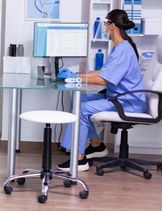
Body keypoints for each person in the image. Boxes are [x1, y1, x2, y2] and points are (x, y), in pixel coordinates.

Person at [57, 9, 147, 172]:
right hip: (118, 98)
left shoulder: (123, 50)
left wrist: (76, 78)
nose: (104, 27)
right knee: (79, 100)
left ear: (112, 26)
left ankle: (78, 159)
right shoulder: (120, 47)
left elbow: (104, 80)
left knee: (83, 109)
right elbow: (103, 72)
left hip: (127, 103)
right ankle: (96, 145)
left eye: (106, 23)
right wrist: (75, 74)